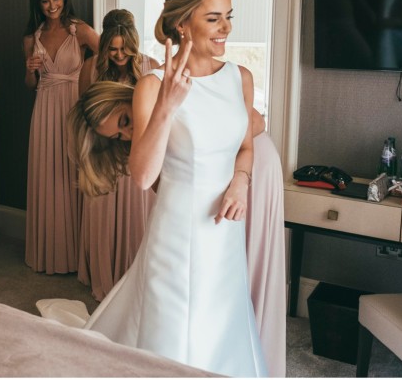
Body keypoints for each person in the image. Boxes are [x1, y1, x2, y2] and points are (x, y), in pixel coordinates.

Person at [82, 0, 266, 376]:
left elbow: (246, 145)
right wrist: (167, 104)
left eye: (228, 16)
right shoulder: (152, 85)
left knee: (222, 326)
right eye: (213, 18)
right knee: (174, 336)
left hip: (225, 228)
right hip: (178, 231)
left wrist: (241, 181)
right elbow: (144, 177)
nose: (226, 29)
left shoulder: (241, 78)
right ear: (182, 23)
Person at [68, 77, 286, 376]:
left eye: (125, 120)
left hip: (251, 169)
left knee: (246, 264)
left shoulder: (169, 93)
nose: (129, 134)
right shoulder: (143, 139)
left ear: (127, 98)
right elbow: (164, 187)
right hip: (213, 191)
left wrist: (232, 171)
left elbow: (255, 122)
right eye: (119, 136)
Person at [72, 9, 159, 301]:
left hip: (139, 155)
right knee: (103, 218)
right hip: (106, 155)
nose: (119, 55)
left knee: (138, 219)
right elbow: (87, 117)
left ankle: (134, 280)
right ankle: (104, 275)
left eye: (125, 48)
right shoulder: (91, 68)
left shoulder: (151, 67)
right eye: (113, 49)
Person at [23, 0, 100, 274]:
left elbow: (108, 53)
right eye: (45, 1)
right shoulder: (33, 38)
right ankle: (50, 252)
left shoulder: (78, 30)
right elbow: (29, 85)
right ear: (38, 5)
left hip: (73, 106)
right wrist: (29, 70)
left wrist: (90, 81)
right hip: (43, 108)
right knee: (48, 174)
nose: (52, 6)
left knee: (73, 173)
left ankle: (78, 255)